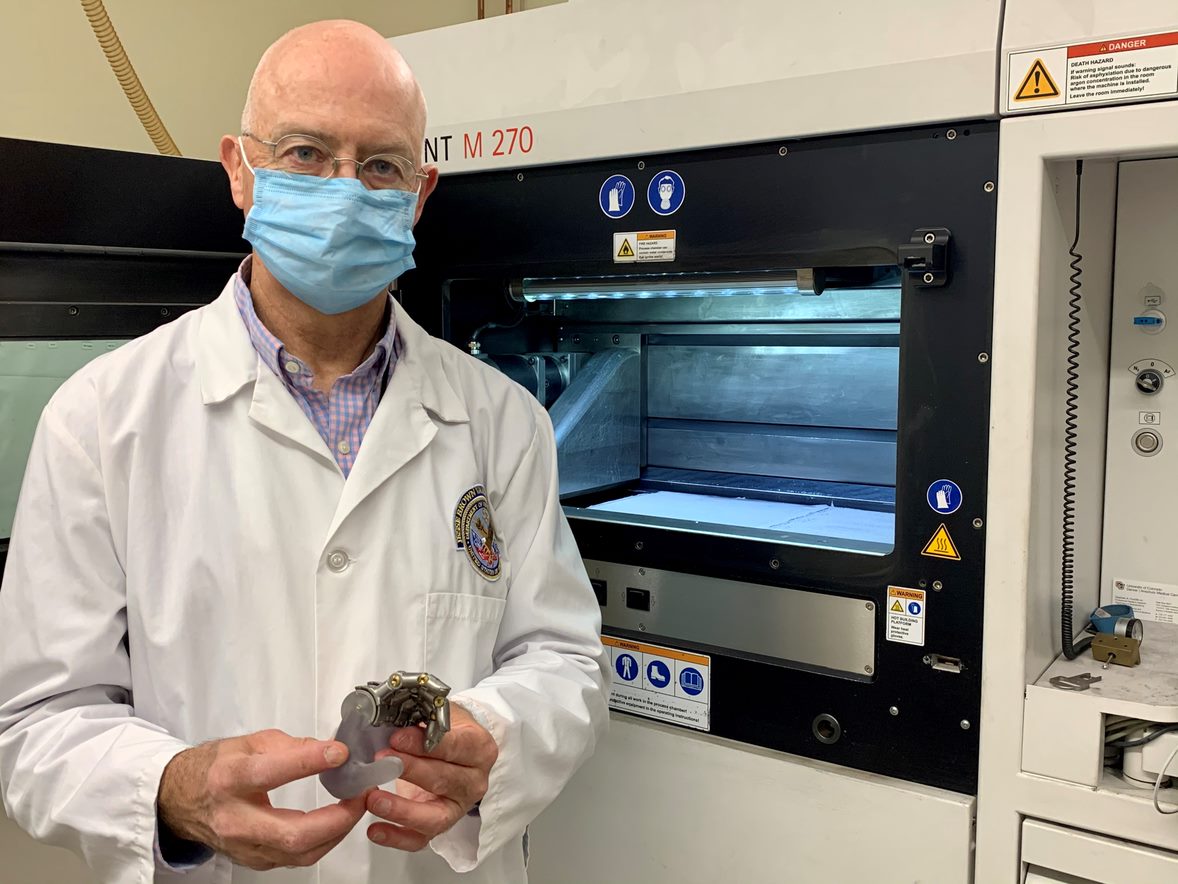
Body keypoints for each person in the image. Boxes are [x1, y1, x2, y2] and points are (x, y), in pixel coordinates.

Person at [0, 20, 608, 884]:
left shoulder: (501, 420)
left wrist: (492, 741)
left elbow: (564, 661)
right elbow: (36, 720)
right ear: (240, 171)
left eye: (381, 165)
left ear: (420, 194)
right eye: (305, 152)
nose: (345, 191)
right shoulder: (100, 418)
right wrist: (172, 788)